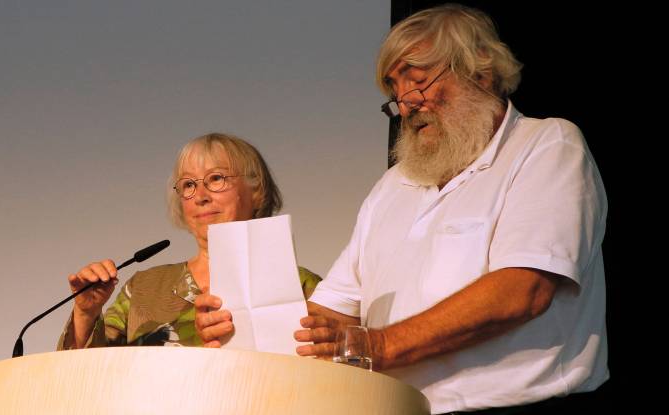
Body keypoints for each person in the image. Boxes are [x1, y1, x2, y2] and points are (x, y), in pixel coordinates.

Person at [196, 4, 608, 414]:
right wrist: (243, 323)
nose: (407, 104)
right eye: (395, 93)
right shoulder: (393, 186)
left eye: (419, 82)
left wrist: (379, 345)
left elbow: (523, 289)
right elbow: (332, 312)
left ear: (480, 71)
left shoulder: (546, 145)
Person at [57, 133, 320, 349]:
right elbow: (87, 376)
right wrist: (85, 314)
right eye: (188, 185)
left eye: (216, 178)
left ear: (257, 191)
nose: (200, 196)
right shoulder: (143, 289)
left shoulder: (303, 287)